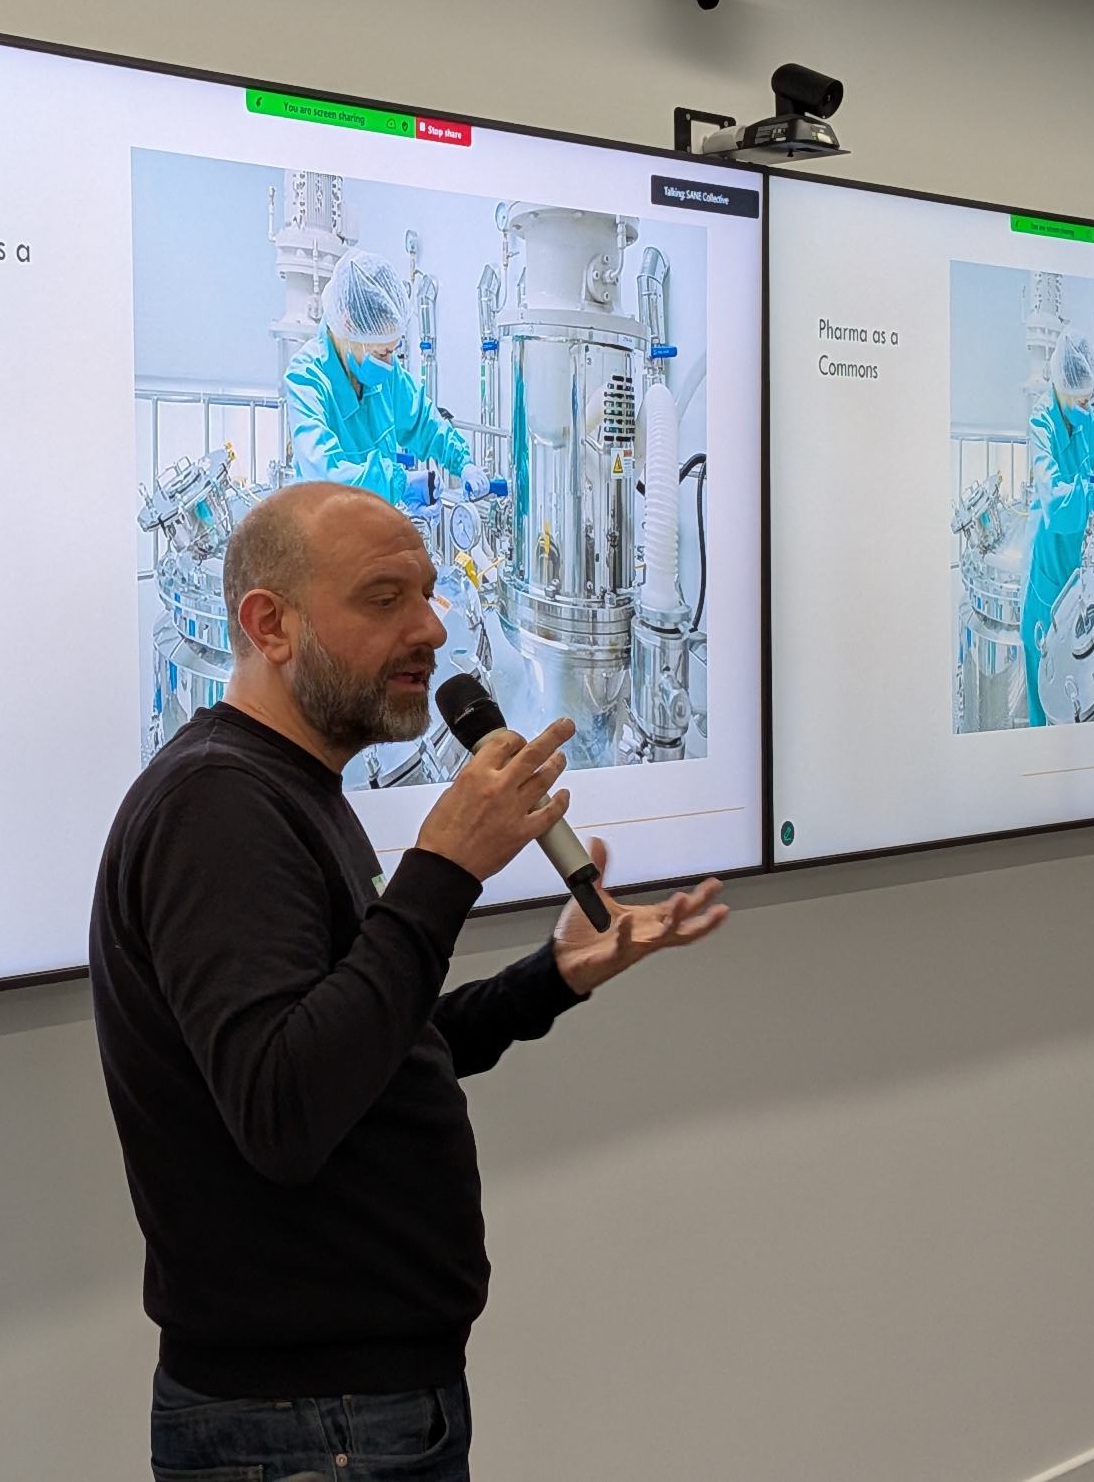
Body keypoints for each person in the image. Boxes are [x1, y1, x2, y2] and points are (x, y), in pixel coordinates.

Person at [90, 483, 728, 1481]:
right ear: (269, 625)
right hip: (307, 1428)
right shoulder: (217, 808)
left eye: (427, 594)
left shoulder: (284, 789)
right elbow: (285, 1104)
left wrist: (550, 979)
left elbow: (366, 1052)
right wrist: (442, 869)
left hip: (346, 1414)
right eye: (384, 598)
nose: (430, 628)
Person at [285, 249, 503, 509]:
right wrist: (399, 484)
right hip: (323, 525)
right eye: (382, 352)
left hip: (374, 519)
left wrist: (462, 462)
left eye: (393, 350)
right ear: (348, 325)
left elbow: (422, 421)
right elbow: (324, 474)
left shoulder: (382, 371)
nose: (389, 363)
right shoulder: (307, 378)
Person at [1023, 329, 1094, 725]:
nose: (1088, 409)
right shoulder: (1042, 424)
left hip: (1073, 562)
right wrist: (1092, 497)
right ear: (1062, 387)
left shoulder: (1084, 418)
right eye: (1083, 401)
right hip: (1048, 560)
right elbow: (1055, 503)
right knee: (1045, 672)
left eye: (1091, 400)